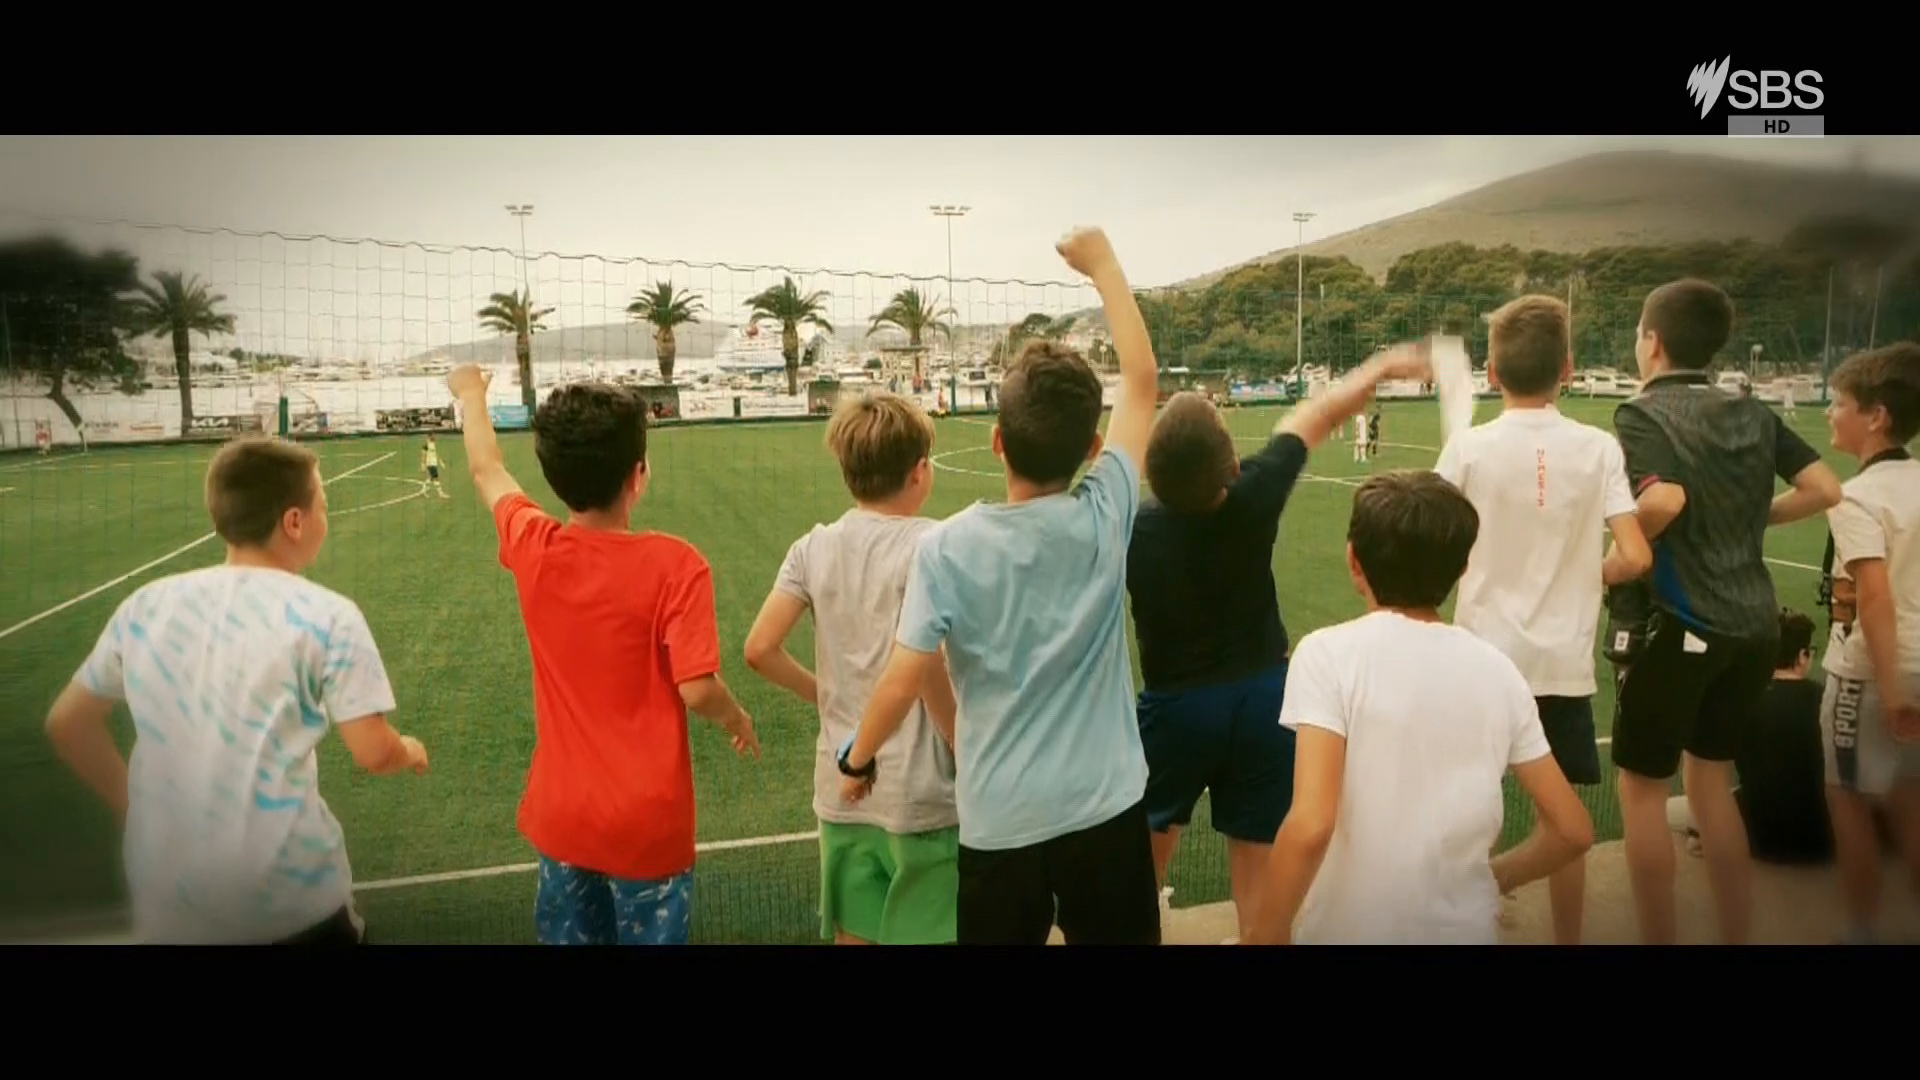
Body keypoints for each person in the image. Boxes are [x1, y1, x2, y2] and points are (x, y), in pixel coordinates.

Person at [839, 226, 1160, 945]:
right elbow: (1142, 381)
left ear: (996, 442)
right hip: (1106, 812)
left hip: (1001, 823)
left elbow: (903, 677)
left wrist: (856, 759)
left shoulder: (946, 549)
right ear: (1092, 450)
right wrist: (1104, 265)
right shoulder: (1106, 512)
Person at [43, 437, 429, 945]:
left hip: (169, 906)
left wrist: (131, 804)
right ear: (294, 522)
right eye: (323, 506)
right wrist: (408, 750)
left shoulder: (146, 606)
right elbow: (373, 751)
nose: (326, 519)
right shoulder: (328, 615)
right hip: (291, 906)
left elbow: (68, 723)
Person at [445, 365, 760, 946]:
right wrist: (736, 717)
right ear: (638, 476)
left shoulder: (534, 545)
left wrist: (470, 393)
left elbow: (487, 469)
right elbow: (697, 688)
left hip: (563, 819)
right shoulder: (678, 566)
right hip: (647, 830)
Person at [1126, 346, 1432, 942]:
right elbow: (1317, 414)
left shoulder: (1135, 530)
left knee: (1142, 863)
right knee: (1261, 883)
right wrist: (1378, 369)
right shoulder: (1255, 495)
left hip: (1177, 711)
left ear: (1152, 472)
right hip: (1266, 701)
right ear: (1232, 468)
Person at [1242, 470, 1595, 945]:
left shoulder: (1327, 655)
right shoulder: (1499, 671)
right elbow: (1572, 829)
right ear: (1462, 568)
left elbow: (1310, 823)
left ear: (1353, 560)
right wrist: (1494, 878)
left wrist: (1263, 934)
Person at [1608, 278, 1843, 945]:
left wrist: (1614, 562)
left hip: (1685, 623)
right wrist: (1751, 517)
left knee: (1642, 795)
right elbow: (1825, 487)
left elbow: (1664, 501)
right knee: (1712, 787)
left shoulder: (1642, 413)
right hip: (1755, 627)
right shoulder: (1752, 410)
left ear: (1652, 342)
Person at [1434, 294, 1652, 946]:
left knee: (1474, 805)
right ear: (1568, 369)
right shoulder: (1599, 448)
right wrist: (1592, 571)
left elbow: (1429, 541)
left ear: (1492, 373)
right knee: (1561, 817)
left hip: (1481, 659)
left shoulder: (1468, 448)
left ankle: (1469, 919)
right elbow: (1636, 555)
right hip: (1562, 664)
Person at [743, 390, 961, 946]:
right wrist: (964, 744)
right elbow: (927, 667)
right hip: (922, 794)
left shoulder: (812, 547)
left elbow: (760, 648)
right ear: (920, 471)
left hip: (841, 791)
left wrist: (824, 693)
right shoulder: (935, 544)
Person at [1816, 343, 1920, 944]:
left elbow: (1873, 598)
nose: (1830, 413)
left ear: (1876, 416)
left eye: (1839, 403)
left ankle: (1862, 931)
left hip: (1871, 675)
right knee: (1908, 800)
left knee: (1849, 798)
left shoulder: (1856, 496)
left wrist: (1893, 689)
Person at [1666, 608, 1835, 866]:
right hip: (1822, 838)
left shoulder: (1741, 699)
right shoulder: (1826, 699)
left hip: (1758, 838)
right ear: (1802, 656)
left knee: (1676, 811)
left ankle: (1707, 841)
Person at [421, 434, 449, 499]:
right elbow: (423, 456)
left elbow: (435, 454)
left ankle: (423, 491)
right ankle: (441, 494)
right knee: (436, 478)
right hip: (430, 464)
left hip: (434, 463)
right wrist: (423, 464)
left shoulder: (433, 445)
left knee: (431, 478)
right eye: (432, 437)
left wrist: (441, 462)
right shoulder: (425, 446)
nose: (433, 438)